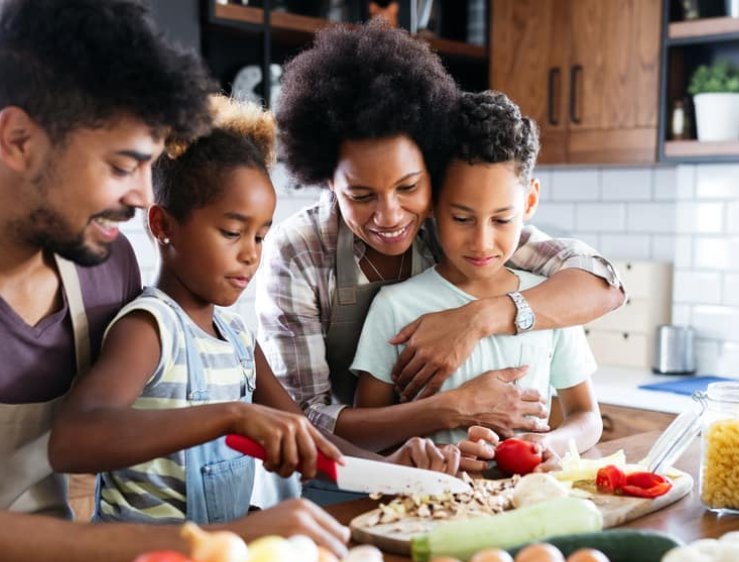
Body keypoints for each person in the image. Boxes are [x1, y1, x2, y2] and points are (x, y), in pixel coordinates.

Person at [0, 0, 345, 562]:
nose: (139, 197)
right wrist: (225, 540)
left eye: (150, 167)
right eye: (121, 165)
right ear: (18, 139)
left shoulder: (105, 267)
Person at [49, 96, 461, 525]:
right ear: (163, 226)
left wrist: (394, 468)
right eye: (232, 232)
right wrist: (232, 415)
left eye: (260, 236)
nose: (251, 255)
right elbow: (73, 439)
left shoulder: (238, 339)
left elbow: (308, 435)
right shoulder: (150, 329)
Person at [257, 21, 623, 463]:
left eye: (408, 187)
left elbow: (603, 284)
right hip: (326, 480)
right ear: (327, 181)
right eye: (361, 195)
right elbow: (305, 419)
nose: (389, 216)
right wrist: (452, 409)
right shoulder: (299, 251)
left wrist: (477, 319)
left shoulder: (457, 224)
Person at [352, 91, 602, 470]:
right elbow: (365, 436)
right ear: (433, 203)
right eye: (463, 219)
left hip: (525, 503)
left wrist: (554, 442)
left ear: (530, 201)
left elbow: (587, 416)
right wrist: (426, 457)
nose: (483, 242)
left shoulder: (547, 302)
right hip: (429, 507)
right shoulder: (395, 306)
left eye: (502, 220)